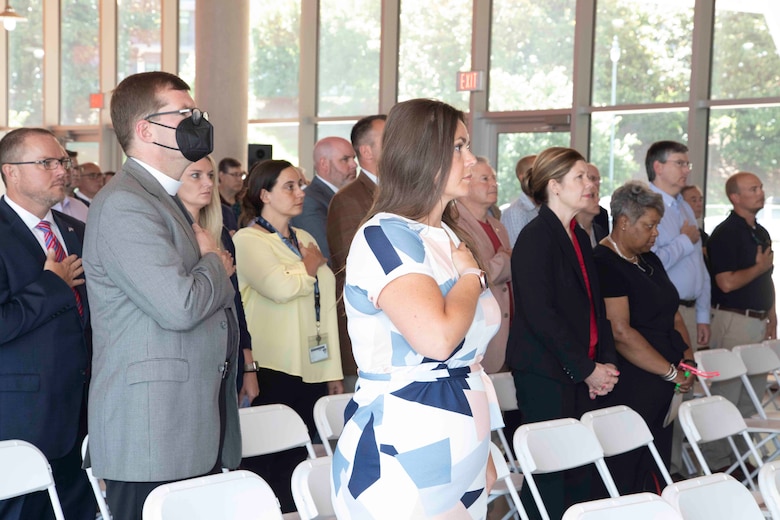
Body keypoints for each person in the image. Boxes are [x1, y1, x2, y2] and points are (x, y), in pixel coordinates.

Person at [332, 98, 503, 519]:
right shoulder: (385, 235)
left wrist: (483, 446)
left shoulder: (444, 234)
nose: (473, 159)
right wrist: (471, 279)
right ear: (422, 154)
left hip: (457, 447)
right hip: (399, 454)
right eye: (459, 146)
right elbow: (438, 340)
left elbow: (467, 361)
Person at [82, 71, 241, 520]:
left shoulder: (160, 198)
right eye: (185, 113)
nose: (197, 121)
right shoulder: (125, 203)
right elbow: (180, 305)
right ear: (146, 129)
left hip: (186, 422)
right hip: (152, 432)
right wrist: (214, 262)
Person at [506, 146, 619, 520]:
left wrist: (603, 363)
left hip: (575, 371)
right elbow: (541, 317)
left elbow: (593, 308)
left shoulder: (576, 234)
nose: (590, 184)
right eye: (580, 178)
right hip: (545, 373)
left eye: (590, 177)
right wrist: (585, 368)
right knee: (551, 477)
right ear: (554, 186)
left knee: (580, 472)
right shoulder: (536, 238)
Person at [233, 159, 343, 511]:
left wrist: (333, 370)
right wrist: (307, 268)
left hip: (312, 365)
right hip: (273, 367)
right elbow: (280, 288)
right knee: (270, 463)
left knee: (298, 459)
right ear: (264, 194)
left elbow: (324, 304)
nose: (300, 193)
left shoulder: (305, 238)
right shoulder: (249, 240)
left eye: (301, 185)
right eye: (290, 186)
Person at [0, 128, 96, 520]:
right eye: (46, 163)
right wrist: (50, 285)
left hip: (82, 413)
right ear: (11, 172)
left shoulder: (76, 230)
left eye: (63, 162)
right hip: (23, 417)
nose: (61, 170)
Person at [594, 180, 694, 494]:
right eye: (649, 226)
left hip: (667, 378)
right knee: (630, 467)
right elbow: (621, 333)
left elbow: (673, 313)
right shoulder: (604, 263)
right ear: (623, 222)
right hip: (636, 382)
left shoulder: (649, 259)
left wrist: (687, 360)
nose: (656, 234)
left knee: (658, 463)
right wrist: (670, 372)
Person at [177, 155, 259, 406]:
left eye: (210, 176)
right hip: (188, 359)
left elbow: (236, 304)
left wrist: (248, 365)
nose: (207, 183)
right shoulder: (168, 234)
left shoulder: (221, 232)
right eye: (196, 175)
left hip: (227, 356)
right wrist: (213, 267)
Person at [708, 172, 775, 458]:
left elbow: (767, 277)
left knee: (752, 397)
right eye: (752, 189)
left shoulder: (760, 231)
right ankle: (716, 461)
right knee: (726, 396)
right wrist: (758, 269)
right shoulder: (725, 233)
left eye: (760, 188)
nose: (760, 192)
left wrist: (772, 314)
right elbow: (726, 282)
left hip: (759, 321)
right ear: (735, 197)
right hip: (734, 320)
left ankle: (741, 458)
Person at [326, 114, 386, 392]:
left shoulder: (402, 194)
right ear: (367, 151)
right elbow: (354, 265)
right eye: (390, 139)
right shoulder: (349, 198)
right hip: (369, 333)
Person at [645, 141, 710, 352]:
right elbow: (648, 263)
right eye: (680, 163)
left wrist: (703, 315)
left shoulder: (683, 206)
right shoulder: (645, 206)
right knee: (673, 382)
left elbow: (699, 265)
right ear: (658, 167)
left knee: (689, 381)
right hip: (664, 312)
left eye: (687, 164)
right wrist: (683, 242)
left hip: (690, 311)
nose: (686, 170)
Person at [455, 156, 512, 373]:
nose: (494, 184)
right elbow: (478, 274)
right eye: (485, 179)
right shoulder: (457, 225)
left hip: (507, 331)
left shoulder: (498, 226)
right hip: (479, 332)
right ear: (466, 183)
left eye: (494, 178)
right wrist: (507, 259)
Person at [291, 136, 357, 262]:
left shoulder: (348, 196)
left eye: (353, 158)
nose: (354, 165)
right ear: (324, 164)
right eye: (345, 159)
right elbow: (324, 256)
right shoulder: (309, 201)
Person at [501, 154, 537, 246]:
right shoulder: (515, 212)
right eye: (537, 172)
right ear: (523, 177)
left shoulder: (541, 208)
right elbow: (518, 252)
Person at [576, 163, 608, 247]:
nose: (597, 183)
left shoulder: (601, 215)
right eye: (593, 178)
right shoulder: (568, 229)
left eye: (598, 180)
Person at [52, 152, 89, 222]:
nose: (74, 173)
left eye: (76, 168)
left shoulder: (82, 207)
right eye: (68, 167)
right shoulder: (43, 206)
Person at [680, 185, 709, 252]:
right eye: (694, 200)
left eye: (700, 200)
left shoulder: (702, 235)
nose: (699, 204)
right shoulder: (680, 232)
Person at [218, 157, 244, 228]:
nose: (239, 179)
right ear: (221, 175)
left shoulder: (245, 200)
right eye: (234, 175)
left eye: (241, 175)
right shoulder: (212, 200)